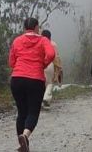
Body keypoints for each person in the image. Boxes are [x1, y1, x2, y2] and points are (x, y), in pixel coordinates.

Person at [9, 17, 56, 152]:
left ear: (25, 28)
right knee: (33, 112)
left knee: (21, 112)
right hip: (35, 79)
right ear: (36, 27)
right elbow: (51, 54)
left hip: (17, 79)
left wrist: (18, 66)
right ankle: (25, 136)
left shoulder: (17, 40)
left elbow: (11, 61)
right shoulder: (43, 40)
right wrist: (43, 63)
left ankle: (23, 145)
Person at [41, 30, 63, 108]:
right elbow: (56, 57)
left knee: (40, 83)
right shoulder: (53, 44)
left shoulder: (39, 43)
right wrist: (59, 68)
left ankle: (40, 100)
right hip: (50, 65)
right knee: (49, 83)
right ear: (50, 37)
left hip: (39, 65)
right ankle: (46, 98)